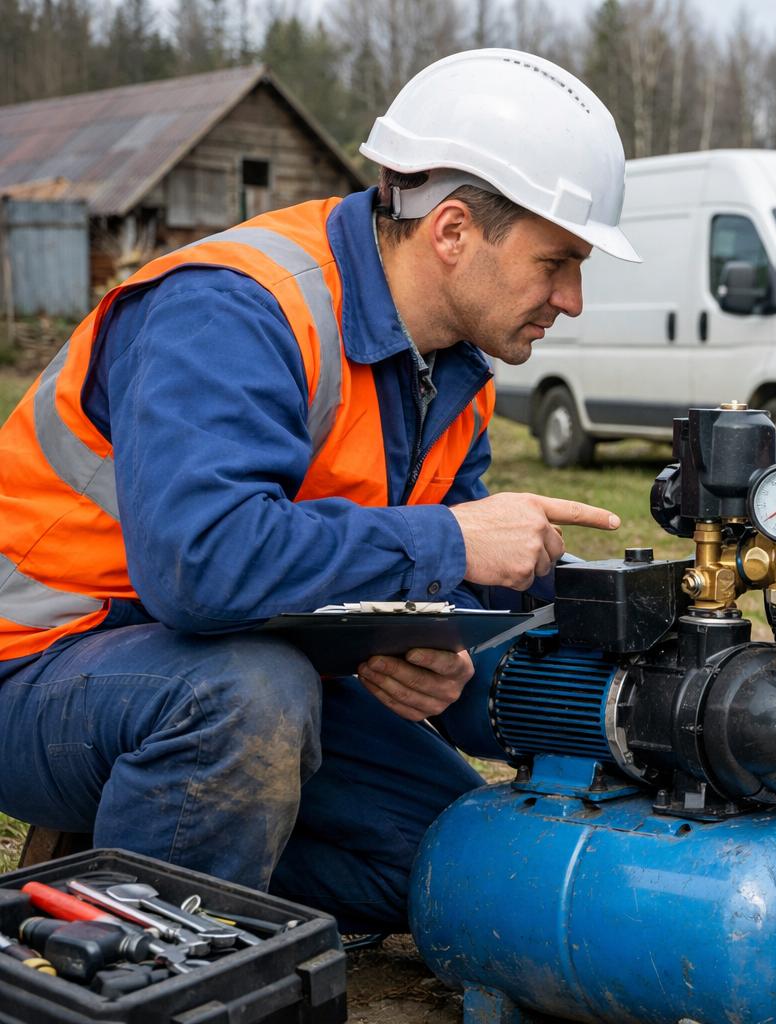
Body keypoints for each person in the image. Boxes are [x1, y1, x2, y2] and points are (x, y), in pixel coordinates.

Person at [0, 49, 635, 933]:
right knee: (245, 699)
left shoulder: (453, 371)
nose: (571, 298)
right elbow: (203, 565)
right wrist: (448, 544)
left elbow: (423, 570)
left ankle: (159, 865)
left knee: (458, 859)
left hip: (232, 657)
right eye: (556, 261)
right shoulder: (233, 308)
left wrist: (434, 634)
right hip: (40, 663)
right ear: (452, 231)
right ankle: (134, 959)